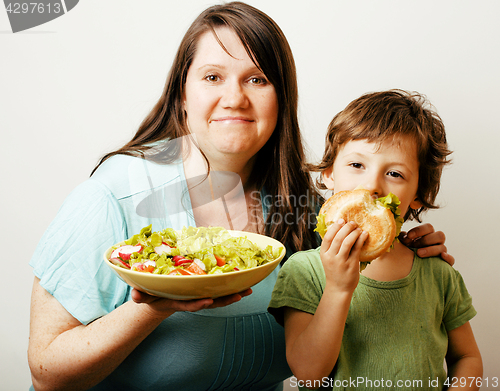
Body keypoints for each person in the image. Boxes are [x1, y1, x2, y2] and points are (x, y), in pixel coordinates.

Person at [27, 2, 453, 390]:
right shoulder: (114, 195)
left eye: (257, 78)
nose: (234, 98)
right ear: (182, 93)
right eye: (212, 77)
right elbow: (47, 373)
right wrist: (154, 307)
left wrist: (403, 246)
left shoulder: (304, 208)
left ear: (281, 99)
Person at [268, 90, 482, 390]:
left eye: (394, 173)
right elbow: (307, 374)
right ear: (329, 173)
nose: (371, 186)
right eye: (357, 165)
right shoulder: (304, 270)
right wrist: (339, 288)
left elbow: (467, 357)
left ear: (418, 197)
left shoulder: (437, 272)